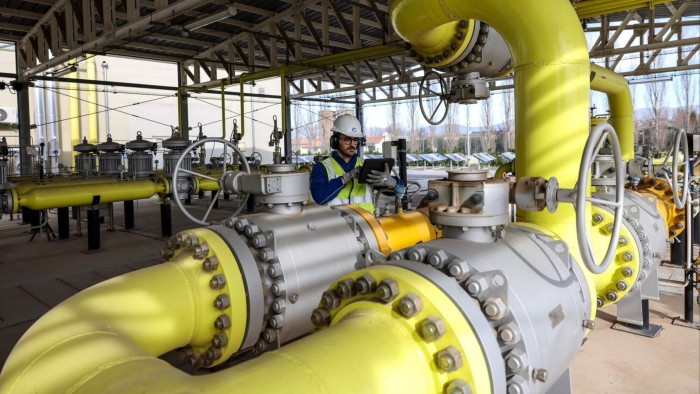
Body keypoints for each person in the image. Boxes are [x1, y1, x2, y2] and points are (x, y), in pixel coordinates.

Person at [310, 114, 397, 214]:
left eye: (355, 140)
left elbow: (398, 190)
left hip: (366, 226)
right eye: (347, 139)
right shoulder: (321, 168)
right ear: (335, 140)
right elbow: (320, 197)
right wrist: (344, 179)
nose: (352, 144)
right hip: (336, 227)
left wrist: (391, 182)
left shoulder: (366, 166)